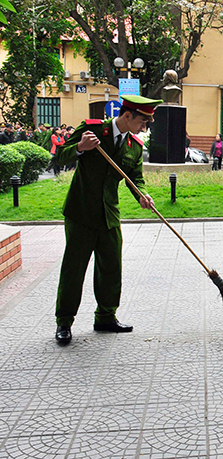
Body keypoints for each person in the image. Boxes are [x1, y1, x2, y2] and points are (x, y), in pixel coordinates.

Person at [53, 95, 161, 345]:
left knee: (111, 267)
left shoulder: (134, 145)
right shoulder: (91, 130)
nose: (144, 128)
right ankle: (64, 322)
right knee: (74, 268)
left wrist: (143, 194)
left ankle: (105, 316)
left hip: (109, 214)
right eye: (143, 122)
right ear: (127, 116)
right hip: (81, 212)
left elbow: (135, 177)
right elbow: (60, 156)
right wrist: (80, 147)